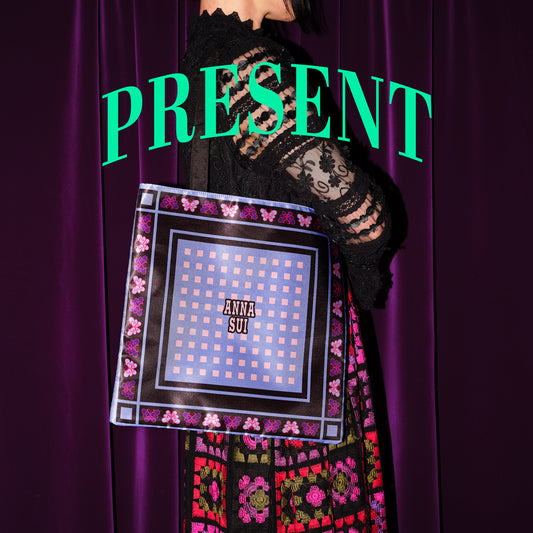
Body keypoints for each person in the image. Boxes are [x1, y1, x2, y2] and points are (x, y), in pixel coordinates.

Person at [180, 1, 390, 531]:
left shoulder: (204, 62)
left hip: (229, 369)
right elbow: (364, 217)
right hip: (296, 365)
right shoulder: (250, 69)